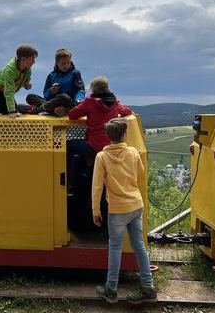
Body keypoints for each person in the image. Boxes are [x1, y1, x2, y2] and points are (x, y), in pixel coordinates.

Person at [93, 118, 157, 305]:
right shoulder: (133, 153)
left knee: (115, 247)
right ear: (124, 134)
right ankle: (148, 287)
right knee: (139, 246)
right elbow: (140, 173)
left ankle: (111, 289)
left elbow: (97, 186)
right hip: (136, 205)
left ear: (108, 136)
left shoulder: (101, 157)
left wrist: (96, 210)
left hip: (117, 209)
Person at [67, 76, 132, 163]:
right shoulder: (114, 102)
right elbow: (127, 111)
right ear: (107, 88)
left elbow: (72, 115)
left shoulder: (90, 101)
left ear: (93, 89)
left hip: (94, 146)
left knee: (67, 145)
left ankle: (73, 174)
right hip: (111, 145)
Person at [25, 47, 86, 116]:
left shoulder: (75, 73)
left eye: (68, 62)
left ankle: (38, 109)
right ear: (57, 63)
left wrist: (79, 100)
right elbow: (45, 95)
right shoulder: (51, 76)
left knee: (64, 97)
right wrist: (51, 91)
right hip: (53, 103)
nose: (66, 65)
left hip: (68, 102)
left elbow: (80, 90)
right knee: (30, 97)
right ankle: (57, 111)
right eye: (63, 63)